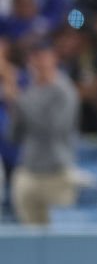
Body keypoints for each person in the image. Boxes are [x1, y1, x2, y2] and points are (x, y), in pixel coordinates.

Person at [0, 39, 79, 225]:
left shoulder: (65, 91)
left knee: (59, 242)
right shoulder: (30, 91)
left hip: (57, 173)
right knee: (29, 240)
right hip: (28, 173)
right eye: (34, 57)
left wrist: (17, 99)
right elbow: (14, 135)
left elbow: (53, 128)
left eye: (43, 56)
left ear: (54, 58)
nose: (38, 62)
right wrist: (13, 103)